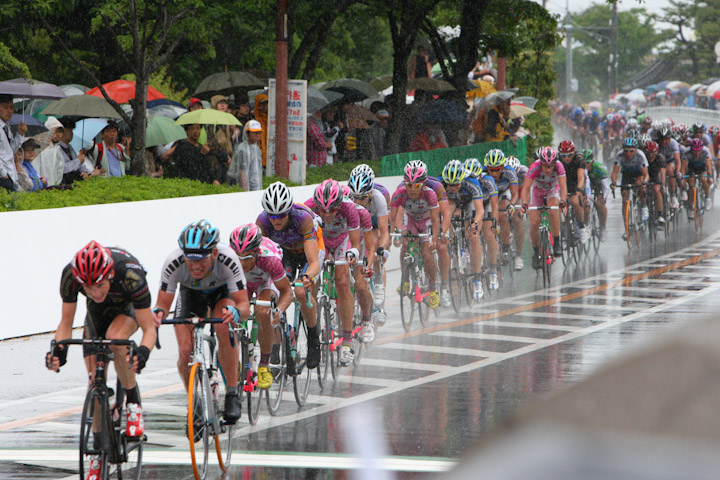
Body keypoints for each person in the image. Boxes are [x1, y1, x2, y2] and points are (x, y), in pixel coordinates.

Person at [45, 241, 156, 479]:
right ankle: (96, 450)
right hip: (97, 315)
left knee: (115, 339)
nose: (94, 292)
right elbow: (66, 323)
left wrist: (143, 352)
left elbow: (149, 328)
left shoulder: (130, 273)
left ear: (111, 274)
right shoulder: (70, 276)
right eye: (88, 287)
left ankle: (133, 401)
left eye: (99, 285)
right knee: (94, 380)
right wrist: (59, 352)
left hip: (127, 310)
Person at [152, 220, 250, 424]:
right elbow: (162, 305)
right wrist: (157, 315)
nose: (196, 266)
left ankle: (232, 393)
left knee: (223, 325)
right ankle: (194, 399)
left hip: (221, 293)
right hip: (190, 295)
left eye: (201, 260)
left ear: (214, 254)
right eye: (191, 260)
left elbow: (244, 305)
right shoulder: (174, 262)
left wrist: (236, 312)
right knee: (185, 349)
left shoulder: (228, 259)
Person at [256, 182, 323, 369]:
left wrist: (307, 278)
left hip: (307, 252)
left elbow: (314, 261)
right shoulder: (262, 222)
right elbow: (262, 258)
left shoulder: (302, 218)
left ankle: (313, 337)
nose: (276, 220)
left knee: (302, 293)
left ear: (289, 211)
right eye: (272, 216)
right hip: (284, 254)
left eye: (281, 215)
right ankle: (277, 344)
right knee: (275, 293)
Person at [228, 224, 294, 389]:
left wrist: (279, 309)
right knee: (229, 314)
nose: (242, 263)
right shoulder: (227, 258)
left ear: (257, 253)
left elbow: (287, 292)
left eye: (248, 258)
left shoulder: (269, 260)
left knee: (263, 311)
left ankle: (264, 365)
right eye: (239, 258)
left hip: (266, 280)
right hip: (244, 283)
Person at [304, 179, 362, 365]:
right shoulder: (308, 208)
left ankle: (347, 342)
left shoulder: (349, 208)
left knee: (343, 281)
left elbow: (355, 243)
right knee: (310, 282)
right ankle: (312, 329)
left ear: (340, 204)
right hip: (321, 241)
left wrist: (352, 254)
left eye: (332, 210)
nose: (327, 214)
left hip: (341, 241)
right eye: (322, 210)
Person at [390, 162, 441, 309]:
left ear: (424, 185)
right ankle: (405, 281)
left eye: (416, 186)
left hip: (426, 222)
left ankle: (433, 289)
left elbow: (436, 219)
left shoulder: (430, 194)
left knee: (426, 252)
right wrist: (396, 234)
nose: (412, 190)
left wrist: (434, 239)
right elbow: (393, 218)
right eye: (409, 185)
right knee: (405, 244)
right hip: (410, 220)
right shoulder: (399, 194)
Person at [347, 164, 390, 324]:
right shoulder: (347, 196)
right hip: (357, 226)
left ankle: (379, 290)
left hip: (374, 226)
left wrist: (381, 249)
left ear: (370, 193)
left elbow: (385, 231)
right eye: (355, 197)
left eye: (362, 198)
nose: (357, 201)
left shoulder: (379, 198)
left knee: (377, 246)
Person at [441, 159, 486, 301]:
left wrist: (475, 223)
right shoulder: (440, 183)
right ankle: (452, 244)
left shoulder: (472, 181)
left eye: (456, 184)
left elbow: (480, 211)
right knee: (448, 213)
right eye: (450, 185)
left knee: (473, 235)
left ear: (462, 179)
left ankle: (477, 278)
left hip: (469, 202)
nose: (453, 187)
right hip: (453, 202)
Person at [522, 147, 568, 269]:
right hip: (537, 190)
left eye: (551, 166)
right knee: (534, 223)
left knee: (553, 210)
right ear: (540, 163)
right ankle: (536, 253)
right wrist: (525, 204)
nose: (548, 169)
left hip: (553, 188)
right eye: (545, 166)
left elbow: (563, 186)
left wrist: (563, 201)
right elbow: (526, 188)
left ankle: (557, 242)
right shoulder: (534, 167)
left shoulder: (559, 166)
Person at [480, 150, 524, 271]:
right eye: (491, 170)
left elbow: (515, 194)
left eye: (497, 170)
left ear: (503, 167)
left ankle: (505, 247)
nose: (494, 173)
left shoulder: (509, 172)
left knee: (502, 213)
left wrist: (511, 205)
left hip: (504, 192)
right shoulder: (482, 173)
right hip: (490, 195)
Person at [610, 137, 650, 239]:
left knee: (639, 184)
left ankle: (644, 206)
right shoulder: (619, 155)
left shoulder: (640, 155)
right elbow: (614, 173)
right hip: (627, 175)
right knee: (624, 197)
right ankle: (626, 228)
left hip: (638, 174)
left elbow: (646, 174)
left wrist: (644, 182)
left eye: (631, 151)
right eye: (626, 151)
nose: (628, 154)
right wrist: (613, 182)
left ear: (636, 149)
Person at [557, 140, 589, 244]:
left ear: (574, 153)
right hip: (564, 182)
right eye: (563, 155)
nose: (566, 158)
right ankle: (564, 229)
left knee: (575, 201)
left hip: (576, 181)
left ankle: (581, 226)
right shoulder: (557, 160)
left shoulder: (579, 159)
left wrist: (579, 189)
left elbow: (581, 178)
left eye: (569, 155)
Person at [57, 117, 102, 184]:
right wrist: (78, 161)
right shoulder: (57, 149)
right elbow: (62, 168)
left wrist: (84, 172)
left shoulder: (70, 147)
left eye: (72, 130)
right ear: (61, 132)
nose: (72, 133)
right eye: (70, 130)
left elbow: (80, 165)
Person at [0, 94, 27, 191]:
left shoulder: (6, 127)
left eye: (11, 108)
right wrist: (3, 173)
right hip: (3, 176)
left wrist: (20, 134)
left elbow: (10, 151)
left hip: (10, 174)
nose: (9, 111)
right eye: (5, 107)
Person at [582, 149, 610, 241]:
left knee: (599, 203)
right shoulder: (580, 169)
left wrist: (604, 199)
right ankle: (585, 224)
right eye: (583, 163)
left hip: (598, 184)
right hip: (586, 184)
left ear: (592, 162)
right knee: (584, 203)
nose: (585, 166)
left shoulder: (599, 168)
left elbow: (606, 186)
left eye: (587, 163)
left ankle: (603, 227)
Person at [229, 119, 263, 191]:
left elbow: (258, 173)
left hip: (255, 191)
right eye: (254, 132)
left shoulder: (257, 150)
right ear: (247, 133)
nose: (257, 135)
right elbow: (242, 173)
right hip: (245, 192)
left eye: (259, 132)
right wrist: (246, 193)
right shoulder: (243, 149)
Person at [206, 95, 233, 183]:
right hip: (216, 162)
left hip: (226, 162)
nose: (223, 105)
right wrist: (225, 157)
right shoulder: (212, 122)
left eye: (224, 103)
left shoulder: (226, 120)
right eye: (219, 103)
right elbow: (212, 143)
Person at [34, 117, 65, 186]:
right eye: (55, 131)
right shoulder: (40, 147)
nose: (58, 134)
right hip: (41, 187)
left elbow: (59, 170)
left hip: (53, 188)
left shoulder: (57, 149)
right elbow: (35, 168)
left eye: (60, 131)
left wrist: (56, 184)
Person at [253, 94, 269, 167]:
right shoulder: (254, 119)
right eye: (262, 104)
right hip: (258, 154)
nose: (264, 106)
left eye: (266, 103)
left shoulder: (270, 119)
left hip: (269, 153)